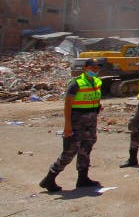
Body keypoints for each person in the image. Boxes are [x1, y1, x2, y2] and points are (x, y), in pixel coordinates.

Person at [39, 58, 103, 191]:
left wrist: (97, 106)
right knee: (70, 150)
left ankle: (83, 178)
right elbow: (68, 105)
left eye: (97, 68)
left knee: (86, 149)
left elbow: (93, 98)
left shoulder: (97, 82)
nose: (95, 70)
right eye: (92, 67)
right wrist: (67, 126)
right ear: (85, 68)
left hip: (90, 122)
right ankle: (49, 178)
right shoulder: (76, 83)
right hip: (77, 122)